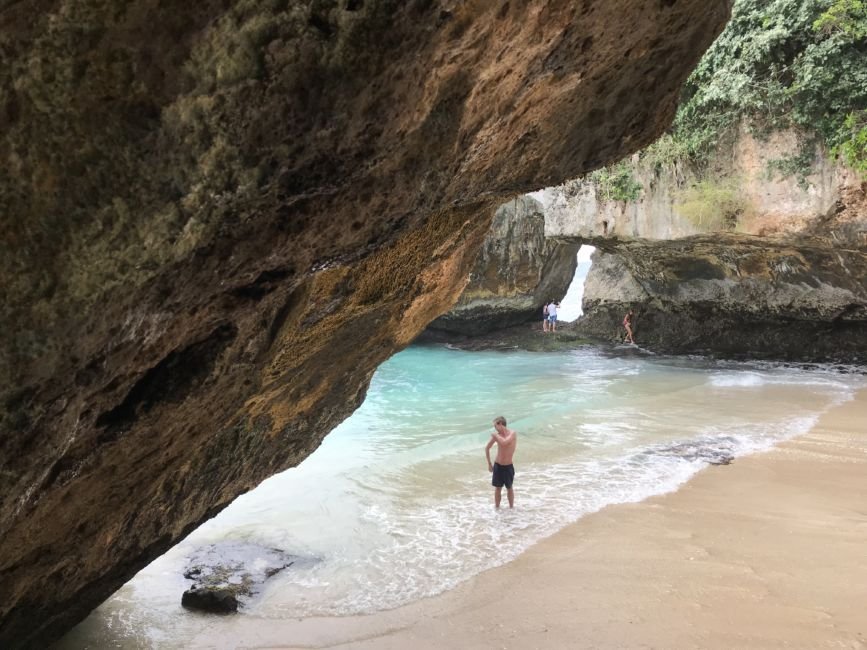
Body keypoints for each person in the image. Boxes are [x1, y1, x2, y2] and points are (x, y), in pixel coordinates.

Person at [485, 416, 517, 508]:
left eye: (495, 425)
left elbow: (504, 443)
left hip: (508, 466)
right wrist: (489, 464)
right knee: (498, 488)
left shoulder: (512, 433)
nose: (494, 428)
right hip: (498, 465)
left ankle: (511, 508)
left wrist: (495, 436)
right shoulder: (497, 436)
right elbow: (487, 448)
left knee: (509, 488)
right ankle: (497, 508)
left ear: (500, 424)